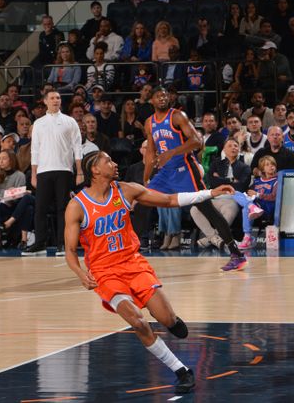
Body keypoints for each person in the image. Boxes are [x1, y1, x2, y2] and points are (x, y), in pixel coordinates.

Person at [64, 150, 236, 394]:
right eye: (108, 161)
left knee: (168, 320)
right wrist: (81, 274)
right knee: (137, 320)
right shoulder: (76, 206)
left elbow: (168, 200)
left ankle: (172, 321)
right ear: (95, 170)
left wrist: (210, 193)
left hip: (133, 263)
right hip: (105, 272)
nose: (114, 164)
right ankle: (180, 370)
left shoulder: (126, 190)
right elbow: (70, 251)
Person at [143, 87, 247, 271]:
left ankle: (235, 252)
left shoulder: (177, 116)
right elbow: (151, 152)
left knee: (208, 210)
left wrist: (171, 153)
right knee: (141, 196)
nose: (162, 98)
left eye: (165, 95)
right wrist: (146, 178)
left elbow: (197, 142)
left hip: (186, 170)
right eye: (158, 96)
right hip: (166, 172)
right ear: (151, 100)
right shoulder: (149, 122)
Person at [24, 91, 83, 255]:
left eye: (58, 97)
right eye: (52, 98)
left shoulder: (70, 121)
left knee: (63, 208)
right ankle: (40, 243)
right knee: (40, 208)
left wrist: (79, 171)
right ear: (45, 101)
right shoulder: (38, 123)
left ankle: (63, 244)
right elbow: (34, 150)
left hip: (64, 170)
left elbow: (77, 147)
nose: (56, 100)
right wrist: (34, 174)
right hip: (43, 171)